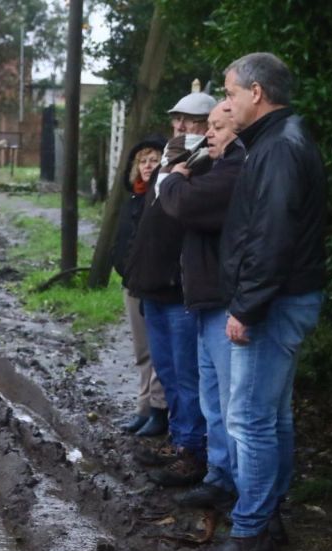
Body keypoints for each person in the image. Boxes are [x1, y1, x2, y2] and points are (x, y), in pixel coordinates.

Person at [217, 53, 327, 551]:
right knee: (273, 416)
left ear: (256, 93)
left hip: (274, 303)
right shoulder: (282, 140)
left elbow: (272, 236)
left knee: (251, 418)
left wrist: (247, 306)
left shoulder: (280, 148)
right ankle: (268, 513)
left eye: (231, 93)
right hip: (285, 298)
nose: (227, 102)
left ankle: (251, 530)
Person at [126, 91, 215, 481]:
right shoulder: (167, 157)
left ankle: (192, 452)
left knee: (186, 375)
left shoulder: (208, 161)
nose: (180, 127)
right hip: (153, 286)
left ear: (210, 123)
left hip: (180, 289)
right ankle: (179, 443)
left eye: (191, 120)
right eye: (177, 119)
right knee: (166, 369)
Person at [155, 102, 243, 495]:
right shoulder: (217, 165)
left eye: (217, 127)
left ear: (238, 132)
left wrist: (174, 177)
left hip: (223, 298)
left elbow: (182, 203)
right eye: (206, 127)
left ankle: (243, 492)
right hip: (205, 299)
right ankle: (218, 476)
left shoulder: (234, 169)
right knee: (213, 399)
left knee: (231, 403)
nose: (208, 135)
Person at [112, 135, 168, 436]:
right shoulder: (134, 197)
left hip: (153, 284)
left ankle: (158, 410)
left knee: (158, 350)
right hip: (131, 283)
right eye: (143, 160)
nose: (148, 165)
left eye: (154, 160)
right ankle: (144, 407)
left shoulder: (161, 196)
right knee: (142, 351)